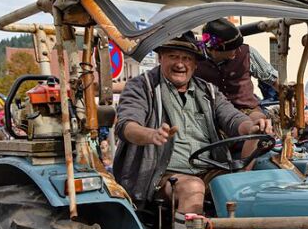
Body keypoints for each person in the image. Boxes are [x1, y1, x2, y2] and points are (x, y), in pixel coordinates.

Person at [113, 33, 266, 216]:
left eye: (186, 58)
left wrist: (251, 127)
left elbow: (232, 118)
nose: (180, 64)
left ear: (195, 64)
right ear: (160, 58)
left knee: (253, 185)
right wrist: (150, 135)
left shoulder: (208, 91)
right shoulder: (142, 87)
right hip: (160, 176)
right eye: (173, 57)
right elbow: (126, 126)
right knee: (193, 187)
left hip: (208, 170)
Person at [195, 19, 260, 113]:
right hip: (210, 115)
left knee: (260, 124)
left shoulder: (246, 52)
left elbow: (273, 79)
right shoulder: (194, 58)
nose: (238, 50)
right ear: (215, 50)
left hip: (247, 111)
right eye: (233, 48)